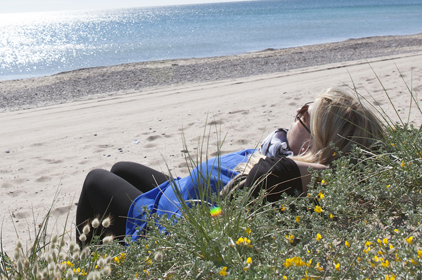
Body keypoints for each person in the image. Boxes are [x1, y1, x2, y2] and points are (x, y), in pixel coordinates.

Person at [75, 87, 383, 245]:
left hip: (169, 222)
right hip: (181, 191)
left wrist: (324, 168)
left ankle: (93, 268)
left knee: (95, 181)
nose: (298, 110)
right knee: (121, 169)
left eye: (305, 115)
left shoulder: (281, 175)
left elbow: (271, 178)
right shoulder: (279, 151)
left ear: (310, 146)